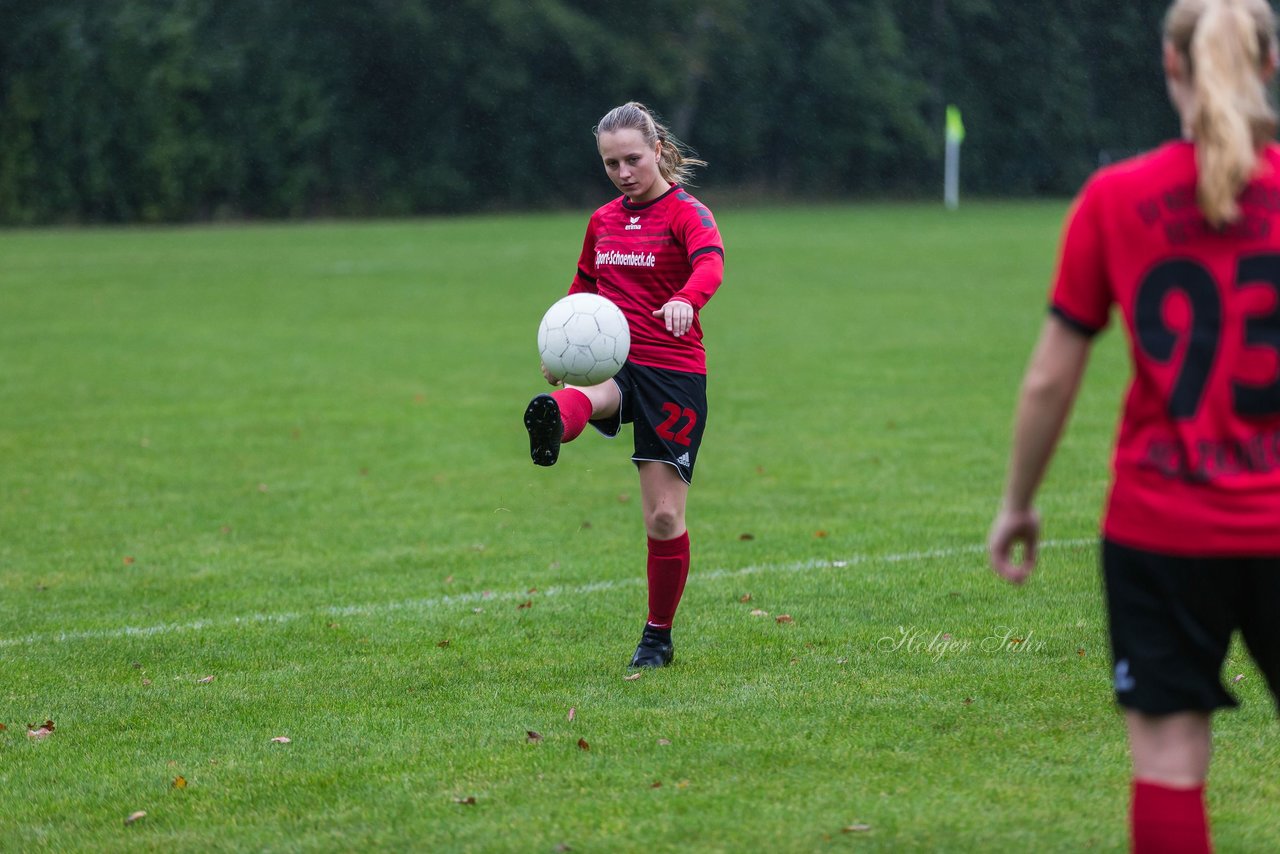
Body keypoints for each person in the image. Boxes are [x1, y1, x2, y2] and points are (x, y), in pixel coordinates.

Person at [988, 1, 1280, 851]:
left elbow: (1049, 378)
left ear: (1170, 67)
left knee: (1170, 759)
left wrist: (1018, 502)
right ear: (1266, 67)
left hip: (1161, 529)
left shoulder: (1115, 199)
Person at [523, 101, 725, 669]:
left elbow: (711, 263)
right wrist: (557, 345)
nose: (622, 173)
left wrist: (687, 298)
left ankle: (657, 635)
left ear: (656, 150)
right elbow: (583, 285)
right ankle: (552, 422)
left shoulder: (688, 213)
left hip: (674, 372)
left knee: (663, 517)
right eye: (611, 164)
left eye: (632, 159)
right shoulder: (603, 220)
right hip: (616, 360)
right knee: (593, 395)